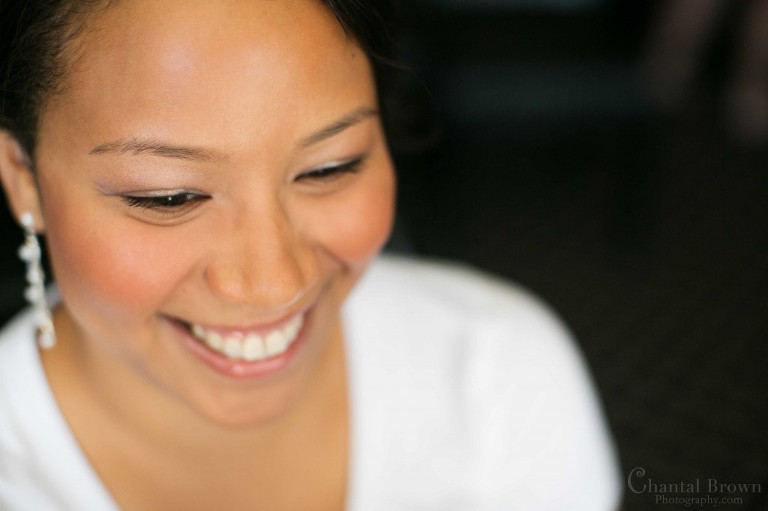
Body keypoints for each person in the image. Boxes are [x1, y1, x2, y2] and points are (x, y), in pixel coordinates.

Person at [0, 0, 622, 509]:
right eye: (170, 197)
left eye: (331, 167)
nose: (273, 284)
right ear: (22, 178)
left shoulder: (493, 375)